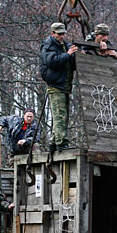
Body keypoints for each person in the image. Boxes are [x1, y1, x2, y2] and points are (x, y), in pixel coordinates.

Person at [40, 22, 78, 152]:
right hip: (55, 85)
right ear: (53, 33)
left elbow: (71, 62)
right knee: (59, 115)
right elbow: (52, 61)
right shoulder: (48, 45)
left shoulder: (65, 45)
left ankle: (53, 142)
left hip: (64, 85)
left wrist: (75, 54)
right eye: (59, 34)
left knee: (63, 115)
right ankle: (61, 142)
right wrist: (68, 54)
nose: (62, 36)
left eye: (63, 34)